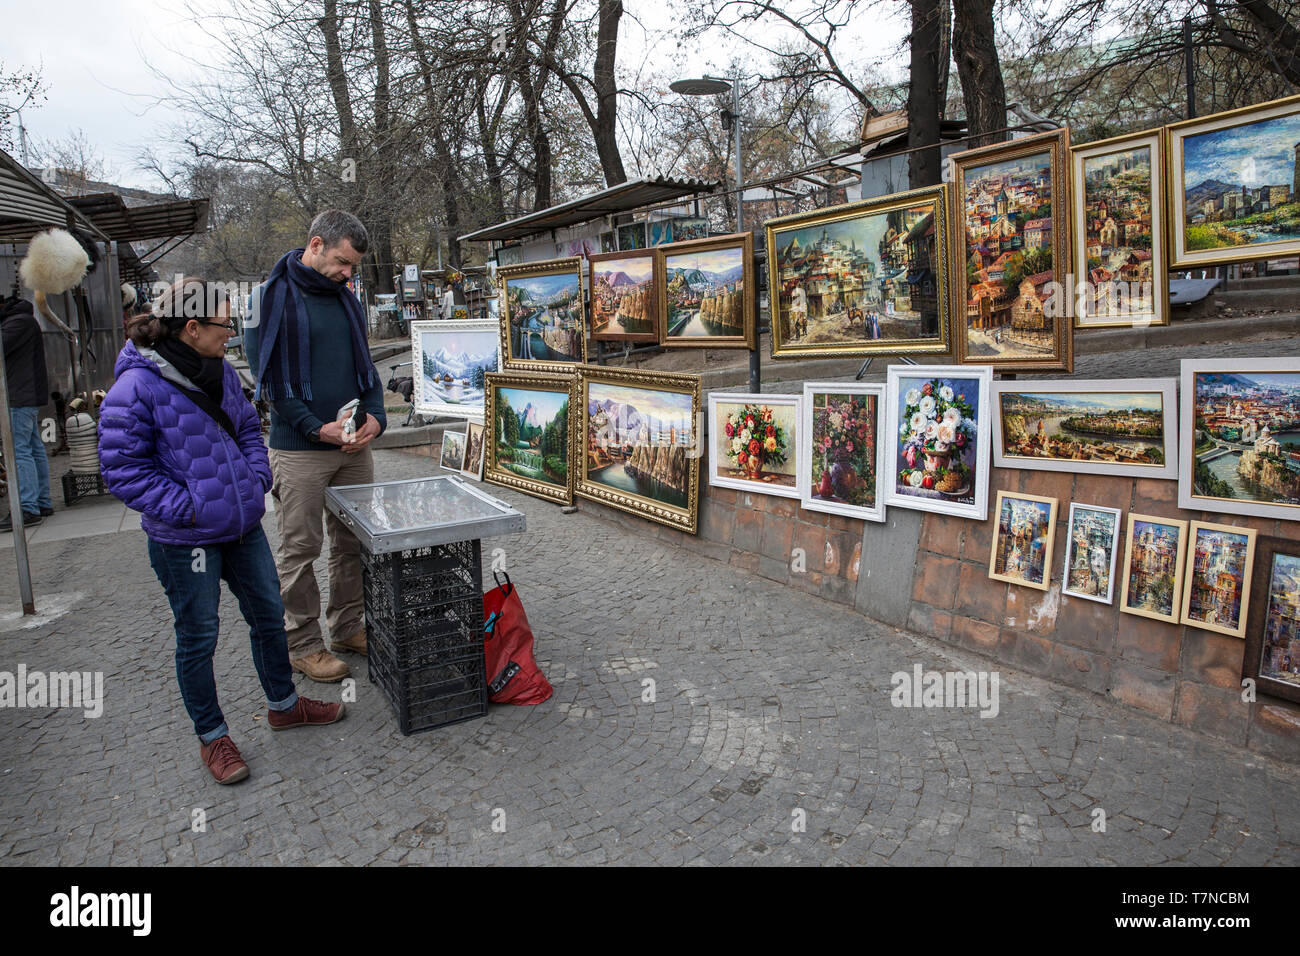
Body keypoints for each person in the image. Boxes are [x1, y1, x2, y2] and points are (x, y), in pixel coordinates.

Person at [98, 277, 344, 786]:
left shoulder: (222, 372)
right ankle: (213, 737)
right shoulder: (135, 386)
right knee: (198, 636)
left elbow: (249, 429)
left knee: (267, 615)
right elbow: (123, 471)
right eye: (224, 325)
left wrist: (256, 480)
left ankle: (283, 705)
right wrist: (190, 508)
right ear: (192, 327)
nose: (230, 334)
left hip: (242, 526)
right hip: (184, 539)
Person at [244, 210, 387, 683]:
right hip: (299, 449)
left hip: (351, 449)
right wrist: (314, 429)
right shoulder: (265, 301)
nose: (348, 274)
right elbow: (270, 386)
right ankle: (302, 644)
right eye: (343, 262)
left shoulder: (348, 302)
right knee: (300, 548)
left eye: (354, 268)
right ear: (316, 244)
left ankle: (347, 628)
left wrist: (377, 421)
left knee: (352, 541)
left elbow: (364, 370)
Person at [1, 293, 55, 530]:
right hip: (25, 394)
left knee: (19, 450)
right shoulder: (21, 319)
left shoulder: (17, 322)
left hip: (18, 396)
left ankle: (26, 507)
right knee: (33, 447)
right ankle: (41, 501)